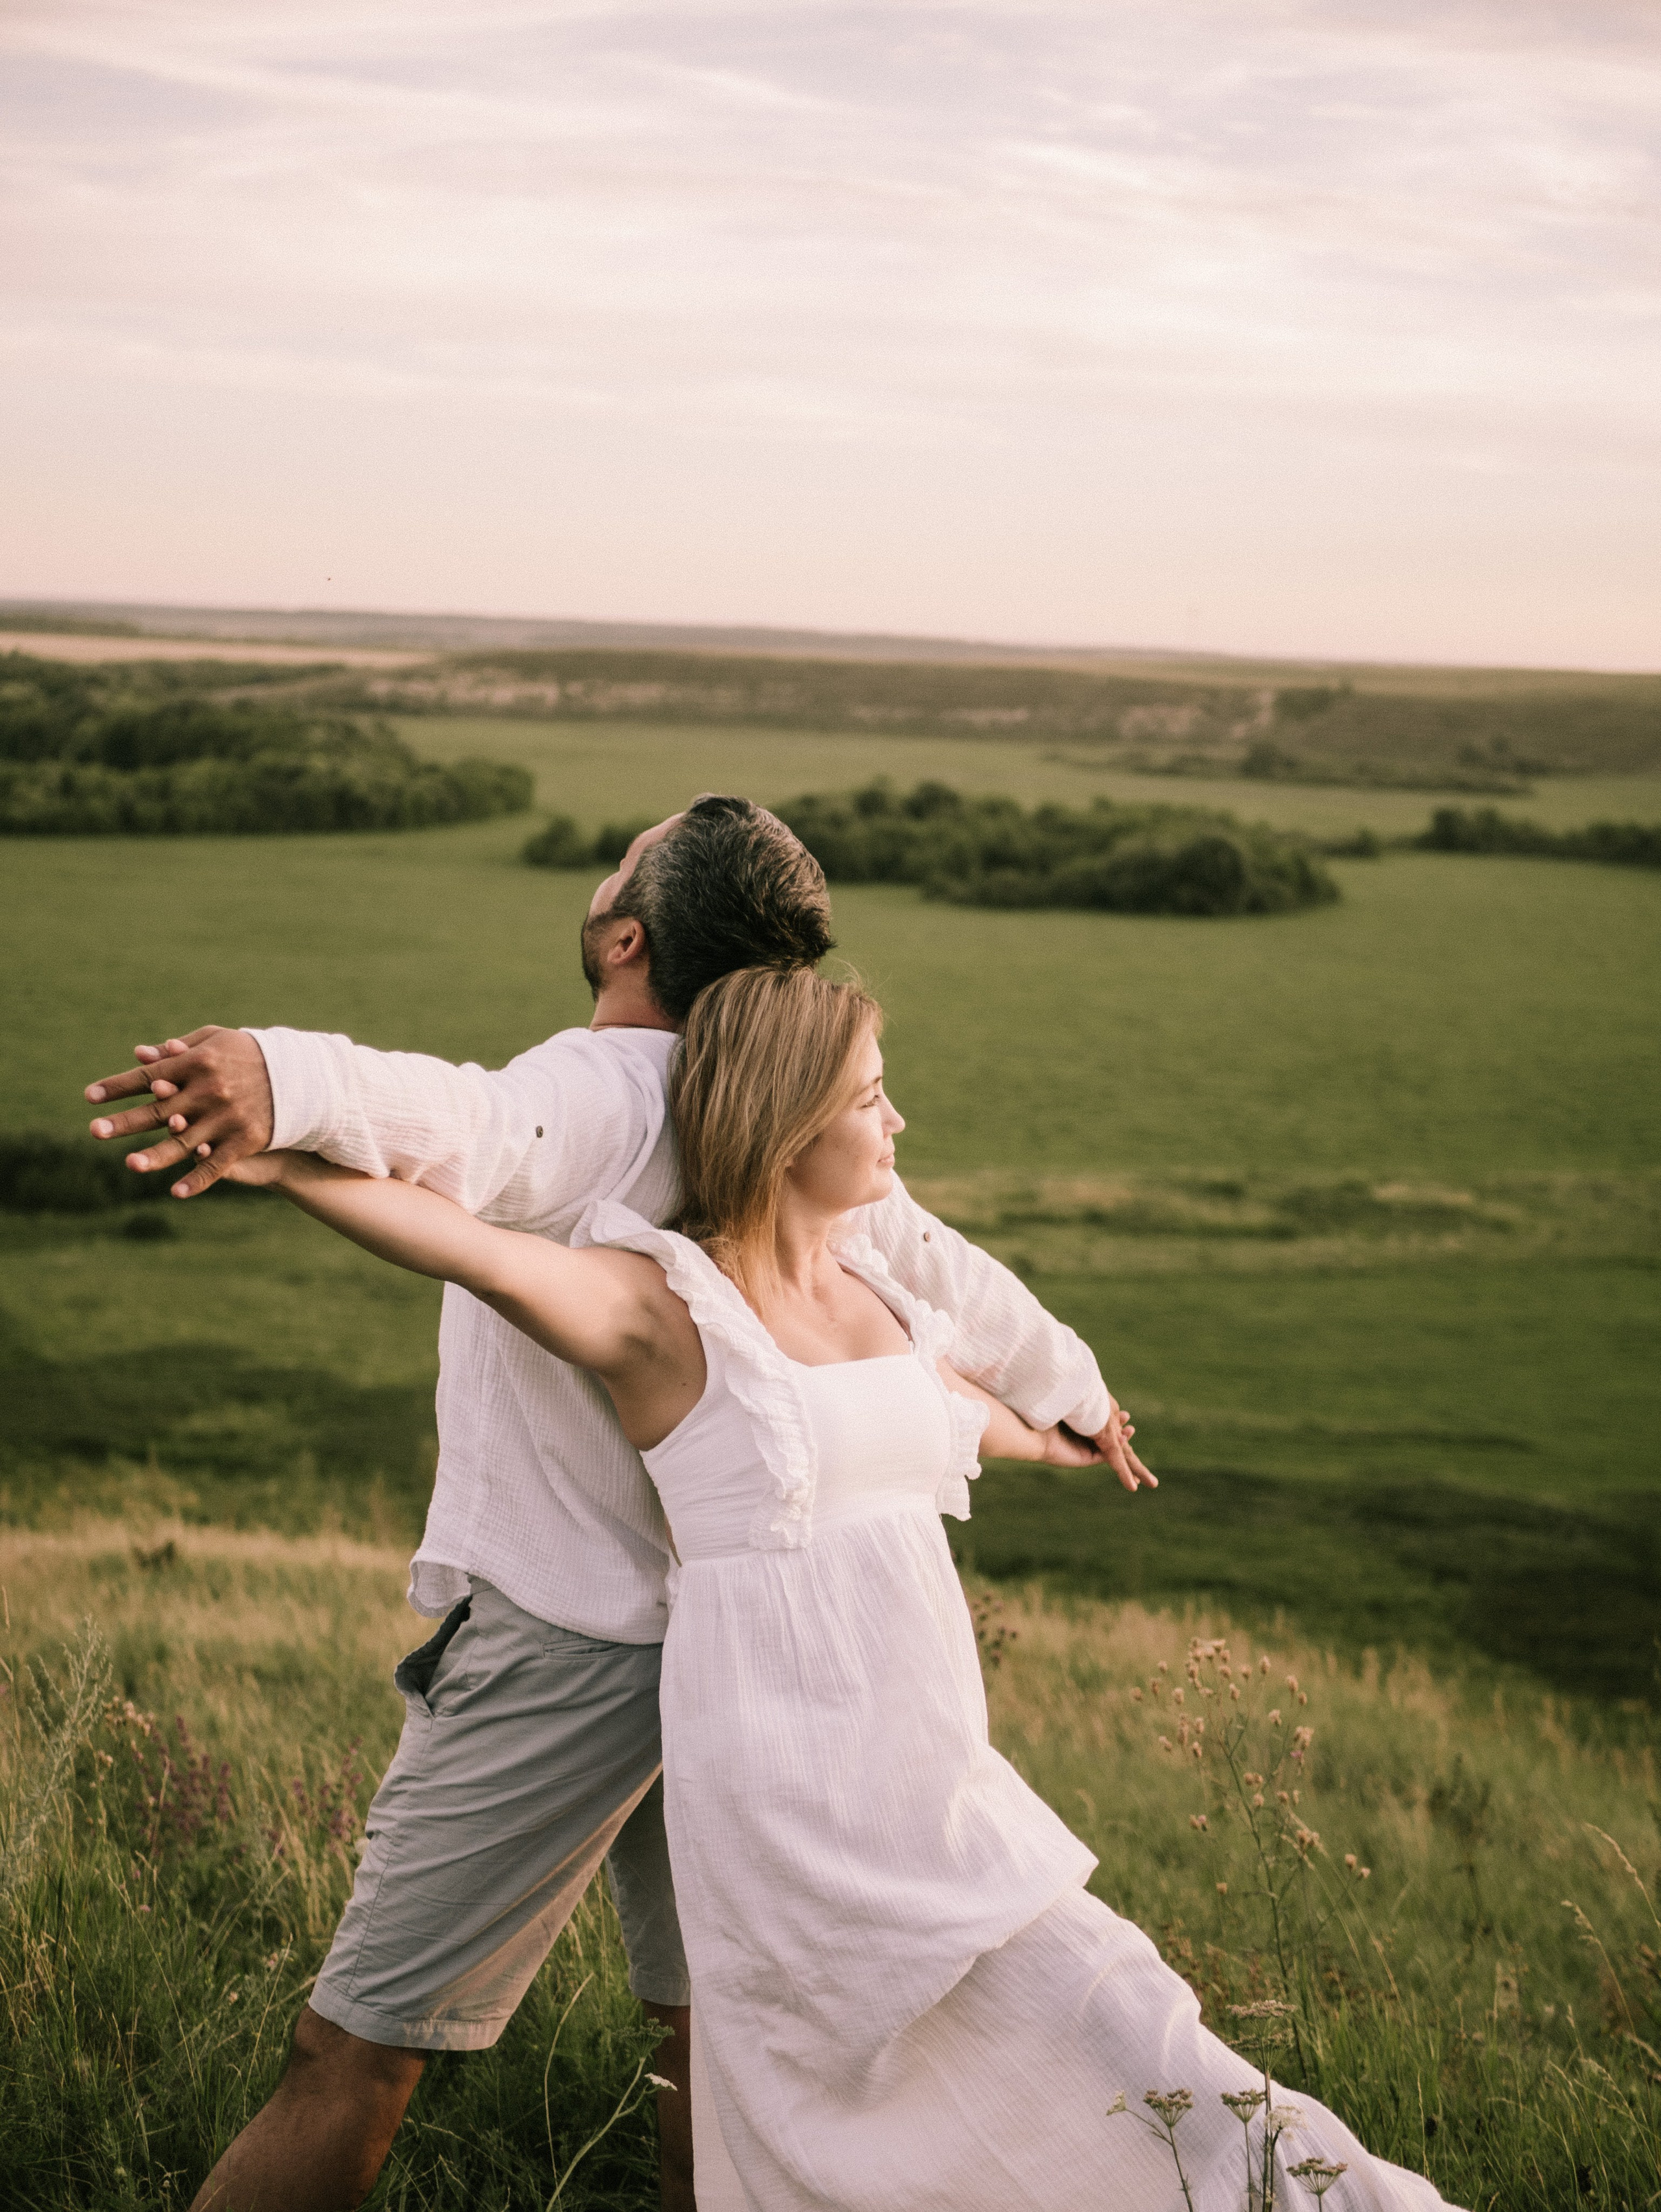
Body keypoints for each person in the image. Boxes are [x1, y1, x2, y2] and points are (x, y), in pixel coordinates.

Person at [215, 964, 1451, 2212]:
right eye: (873, 1098)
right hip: (790, 1790)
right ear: (789, 1125)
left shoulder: (883, 1297)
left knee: (1122, 2017)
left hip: (931, 1777)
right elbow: (476, 1252)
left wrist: (1074, 1422)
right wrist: (290, 1164)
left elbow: (961, 1418)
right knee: (837, 2084)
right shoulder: (668, 1311)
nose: (899, 1124)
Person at [84, 796, 1152, 2212]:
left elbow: (473, 1120)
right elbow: (929, 1255)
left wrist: (275, 1077)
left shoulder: (612, 1091)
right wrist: (1071, 1389)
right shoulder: (763, 1114)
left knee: (355, 2048)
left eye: (619, 857)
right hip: (735, 1657)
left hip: (571, 1644)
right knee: (710, 2041)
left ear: (626, 932)